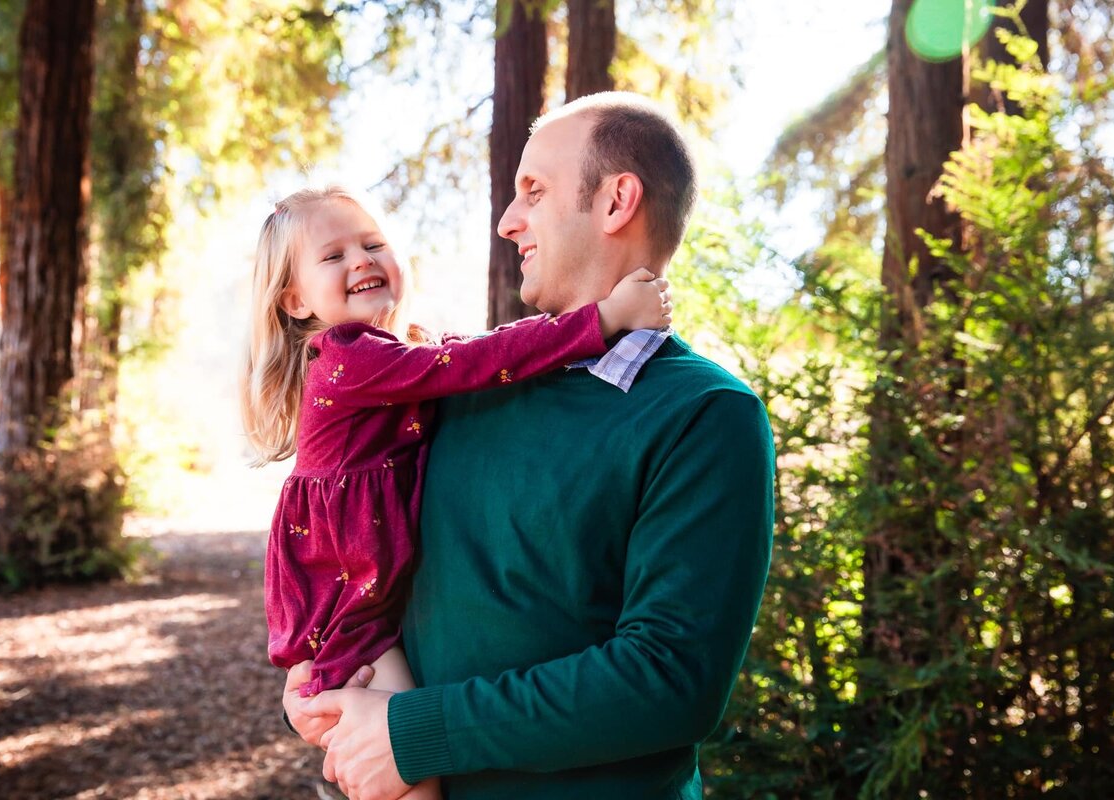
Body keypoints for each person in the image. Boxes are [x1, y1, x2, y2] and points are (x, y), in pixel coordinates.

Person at [285, 92, 775, 800]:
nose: (508, 222)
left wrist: (416, 732)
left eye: (534, 192)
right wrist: (321, 673)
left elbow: (670, 679)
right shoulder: (457, 389)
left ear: (616, 203)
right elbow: (355, 542)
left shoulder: (705, 415)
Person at [241, 185, 672, 800]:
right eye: (332, 256)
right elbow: (478, 361)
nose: (361, 260)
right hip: (345, 594)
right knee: (403, 763)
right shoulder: (348, 360)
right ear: (294, 298)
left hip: (362, 586)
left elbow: (461, 356)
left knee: (391, 745)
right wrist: (602, 319)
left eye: (372, 244)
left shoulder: (387, 353)